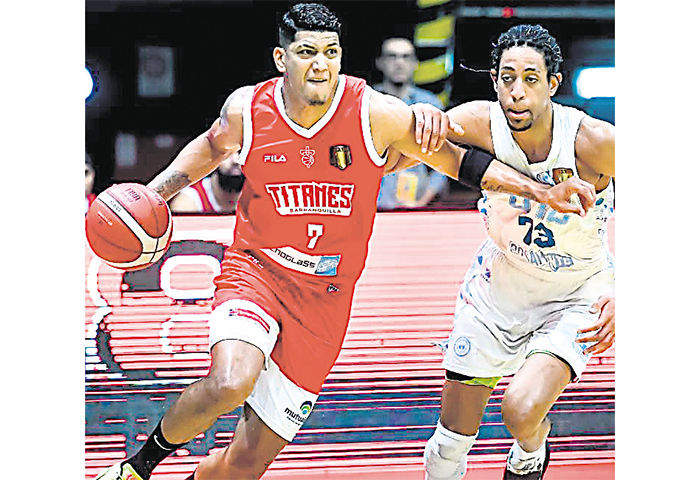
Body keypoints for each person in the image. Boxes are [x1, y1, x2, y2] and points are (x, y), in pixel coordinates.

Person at [96, 6, 595, 480]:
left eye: (330, 52)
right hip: (257, 272)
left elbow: (459, 162)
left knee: (244, 463)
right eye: (307, 52)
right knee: (231, 381)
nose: (321, 64)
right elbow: (211, 145)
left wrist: (541, 192)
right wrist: (152, 195)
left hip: (325, 301)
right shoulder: (248, 109)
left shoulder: (373, 113)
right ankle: (136, 467)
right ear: (281, 58)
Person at [415, 24, 616, 480]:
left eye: (530, 79)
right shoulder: (477, 122)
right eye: (507, 78)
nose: (517, 92)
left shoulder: (594, 142)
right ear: (494, 80)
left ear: (553, 83)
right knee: (446, 448)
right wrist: (421, 118)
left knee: (520, 411)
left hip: (575, 294)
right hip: (499, 289)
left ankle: (530, 450)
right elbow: (403, 148)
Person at [374, 37, 449, 210]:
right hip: (373, 206)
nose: (399, 63)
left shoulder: (431, 104)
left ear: (415, 63)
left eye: (406, 57)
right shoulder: (367, 102)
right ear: (380, 62)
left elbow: (446, 159)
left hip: (415, 206)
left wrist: (423, 201)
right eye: (392, 56)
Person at [169, 152, 245, 213]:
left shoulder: (252, 193)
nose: (235, 160)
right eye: (228, 154)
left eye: (241, 153)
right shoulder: (189, 201)